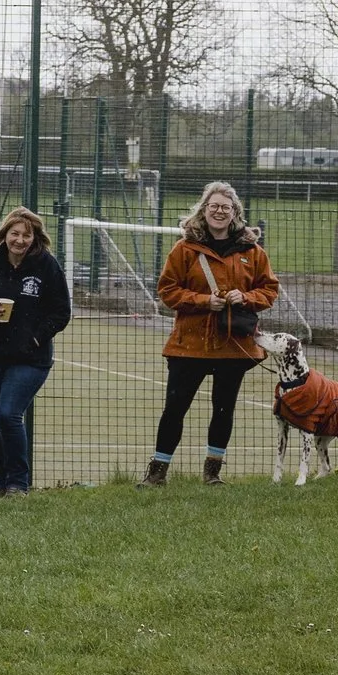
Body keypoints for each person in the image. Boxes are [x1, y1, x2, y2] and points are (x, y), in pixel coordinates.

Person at [146, 181, 280, 486]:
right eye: (214, 206)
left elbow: (269, 290)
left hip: (232, 345)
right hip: (189, 344)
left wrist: (245, 297)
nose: (219, 212)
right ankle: (157, 472)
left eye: (226, 207)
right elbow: (167, 291)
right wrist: (204, 301)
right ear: (204, 209)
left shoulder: (252, 251)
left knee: (223, 409)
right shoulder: (184, 249)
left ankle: (212, 472)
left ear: (235, 212)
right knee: (174, 409)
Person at [0, 206, 71, 496]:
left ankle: (18, 483)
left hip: (30, 358)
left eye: (26, 235)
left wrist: (36, 338)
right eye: (15, 234)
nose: (20, 240)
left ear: (35, 238)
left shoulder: (46, 266)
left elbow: (62, 312)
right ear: (5, 234)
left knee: (8, 414)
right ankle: (2, 483)